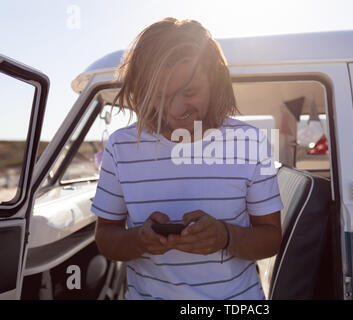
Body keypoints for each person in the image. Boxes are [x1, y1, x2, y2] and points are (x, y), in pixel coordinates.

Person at [92, 17, 283, 300]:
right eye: (159, 96)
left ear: (216, 82)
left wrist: (225, 237)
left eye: (190, 92)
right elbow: (105, 239)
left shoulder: (251, 142)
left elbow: (271, 239)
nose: (175, 109)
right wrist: (138, 241)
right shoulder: (121, 146)